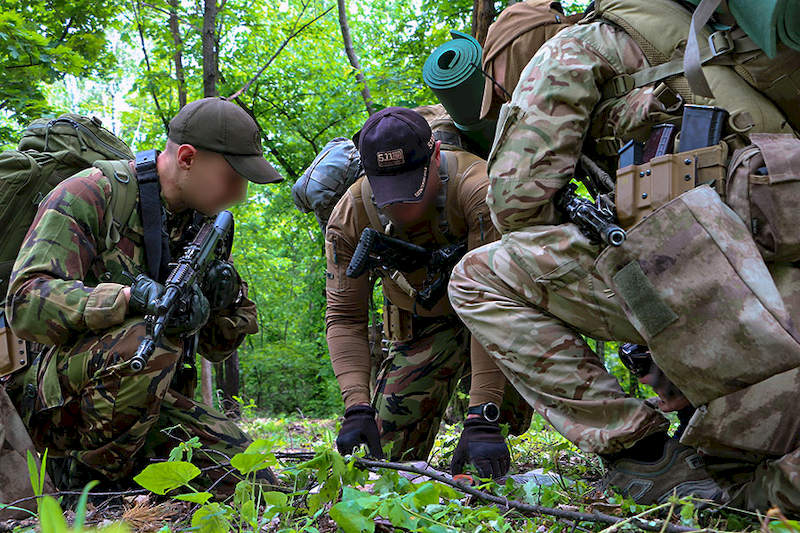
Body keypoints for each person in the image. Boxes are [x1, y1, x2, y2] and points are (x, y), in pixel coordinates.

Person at [448, 0, 800, 510]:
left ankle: (645, 456)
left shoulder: (578, 47)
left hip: (725, 297)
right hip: (779, 282)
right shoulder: (735, 39)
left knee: (479, 276)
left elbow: (515, 201)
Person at [5, 97, 281, 493]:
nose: (239, 193)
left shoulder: (202, 225)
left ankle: (128, 469)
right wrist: (127, 299)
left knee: (253, 481)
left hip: (146, 400)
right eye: (233, 176)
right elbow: (26, 301)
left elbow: (219, 349)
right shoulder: (91, 194)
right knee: (142, 341)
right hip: (52, 400)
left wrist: (219, 305)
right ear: (186, 158)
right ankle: (84, 481)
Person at [325, 107, 532, 478]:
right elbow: (344, 317)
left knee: (508, 415)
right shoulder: (351, 215)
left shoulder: (479, 189)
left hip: (499, 317)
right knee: (386, 456)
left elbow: (498, 300)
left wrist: (482, 415)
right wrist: (356, 406)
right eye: (389, 193)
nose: (403, 207)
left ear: (436, 155)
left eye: (411, 188)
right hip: (424, 323)